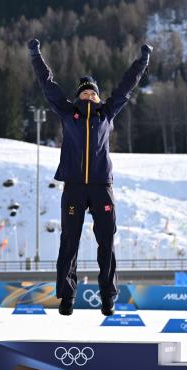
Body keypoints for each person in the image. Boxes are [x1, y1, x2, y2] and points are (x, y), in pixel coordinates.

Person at [28, 38, 152, 316]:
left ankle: (108, 297)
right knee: (69, 241)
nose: (88, 95)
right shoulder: (68, 112)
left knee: (106, 241)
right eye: (85, 92)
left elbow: (126, 87)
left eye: (92, 93)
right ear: (79, 95)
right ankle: (66, 297)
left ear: (97, 95)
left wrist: (142, 62)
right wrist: (36, 55)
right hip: (74, 186)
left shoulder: (107, 113)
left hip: (101, 187)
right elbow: (48, 85)